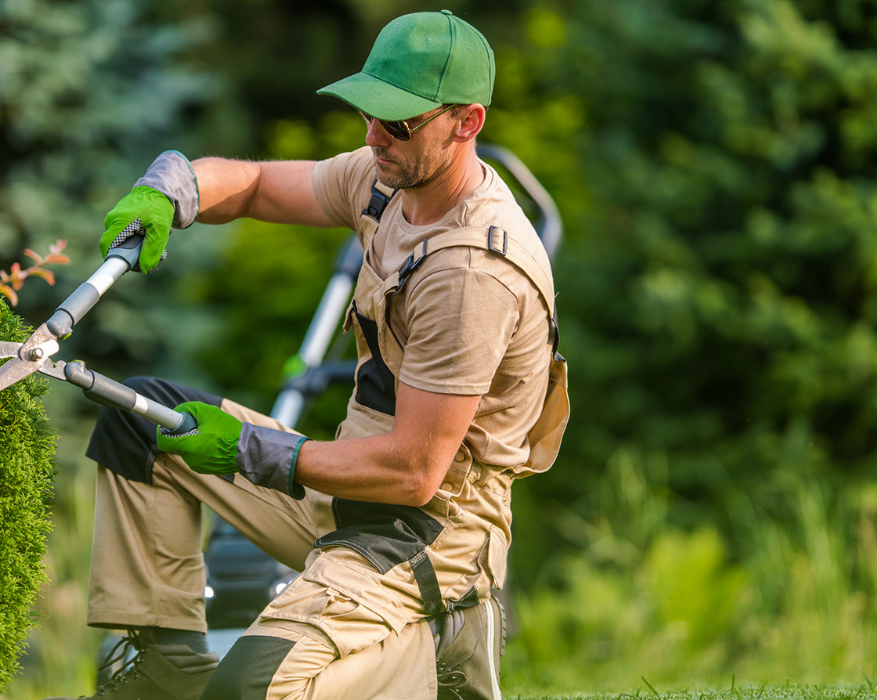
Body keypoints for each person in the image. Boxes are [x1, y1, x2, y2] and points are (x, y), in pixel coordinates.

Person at [50, 9, 569, 700]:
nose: (374, 136)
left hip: (426, 537)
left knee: (250, 691)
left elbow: (415, 472)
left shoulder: (473, 272)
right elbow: (261, 185)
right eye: (370, 114)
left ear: (467, 122)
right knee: (142, 423)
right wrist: (177, 188)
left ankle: (436, 642)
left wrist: (251, 449)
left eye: (399, 123)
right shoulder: (387, 180)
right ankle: (169, 671)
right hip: (343, 490)